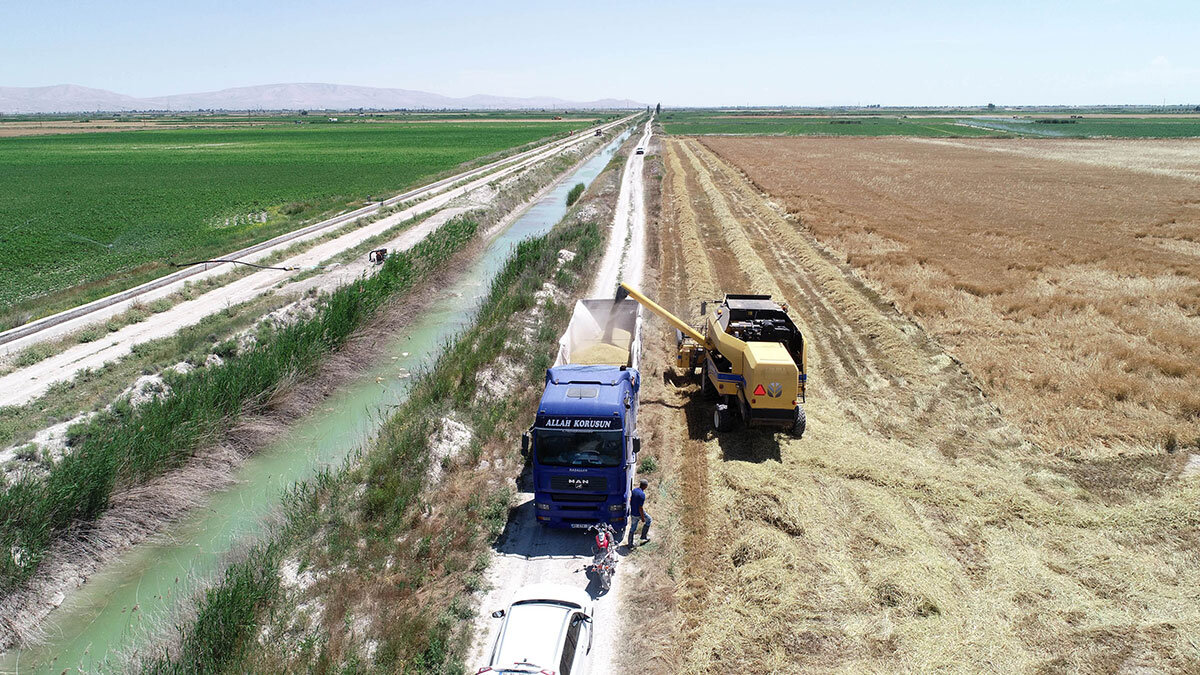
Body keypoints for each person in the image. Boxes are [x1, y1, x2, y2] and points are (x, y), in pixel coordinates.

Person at [627, 479, 651, 545]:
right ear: (645, 486)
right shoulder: (642, 495)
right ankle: (643, 536)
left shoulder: (634, 490)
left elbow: (630, 500)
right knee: (649, 520)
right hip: (638, 514)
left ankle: (630, 544)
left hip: (633, 513)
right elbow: (640, 508)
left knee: (632, 528)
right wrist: (643, 518)